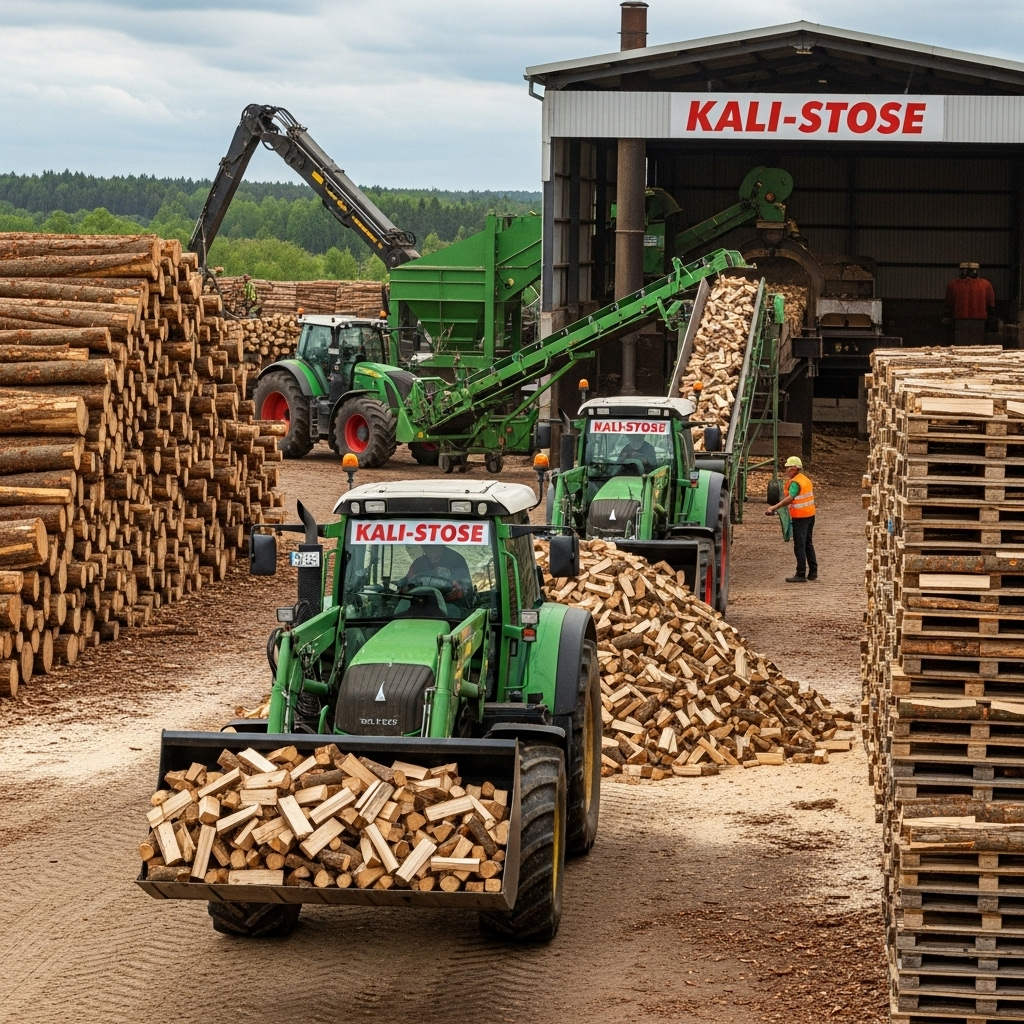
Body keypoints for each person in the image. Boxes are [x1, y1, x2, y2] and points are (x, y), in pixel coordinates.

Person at [766, 455, 817, 583]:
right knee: (808, 544)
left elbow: (790, 498)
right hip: (810, 515)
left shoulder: (795, 483)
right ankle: (813, 572)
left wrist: (774, 507)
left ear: (794, 469)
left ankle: (801, 573)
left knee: (799, 545)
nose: (786, 471)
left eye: (788, 468)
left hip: (801, 517)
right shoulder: (805, 479)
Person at [944, 262, 995, 347]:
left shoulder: (953, 284)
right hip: (979, 320)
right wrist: (991, 318)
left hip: (960, 319)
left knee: (960, 345)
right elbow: (991, 304)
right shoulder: (986, 284)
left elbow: (948, 304)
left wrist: (947, 317)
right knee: (977, 345)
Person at [400, 544, 472, 603]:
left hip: (450, 606)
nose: (426, 547)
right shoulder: (419, 562)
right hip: (421, 603)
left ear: (441, 545)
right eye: (424, 544)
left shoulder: (456, 559)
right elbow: (407, 580)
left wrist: (458, 588)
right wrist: (402, 587)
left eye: (431, 544)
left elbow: (466, 586)